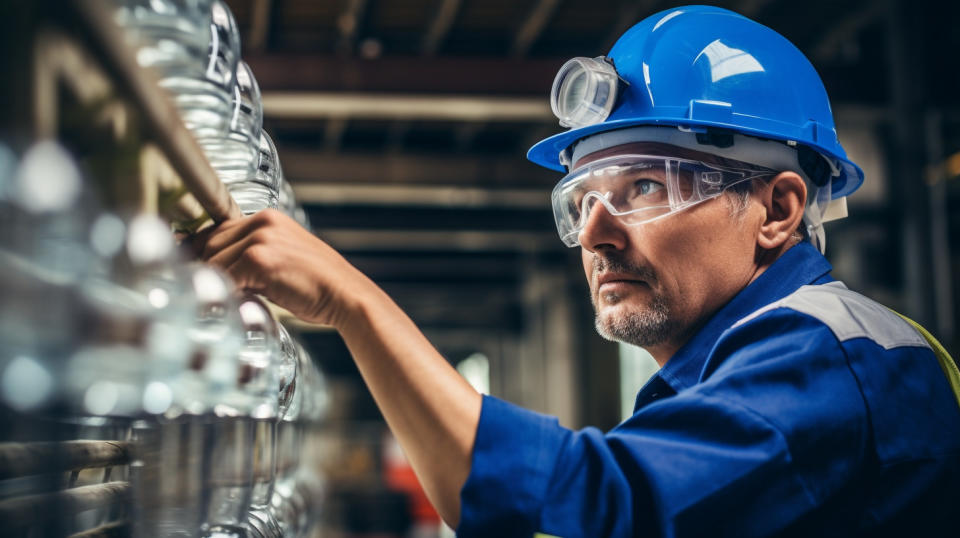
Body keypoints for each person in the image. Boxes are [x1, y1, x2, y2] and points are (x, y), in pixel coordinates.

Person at [192, 6, 960, 537]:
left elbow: (592, 512)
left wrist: (350, 299)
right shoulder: (726, 379)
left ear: (778, 209)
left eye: (645, 188)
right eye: (583, 197)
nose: (593, 232)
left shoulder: (828, 361)